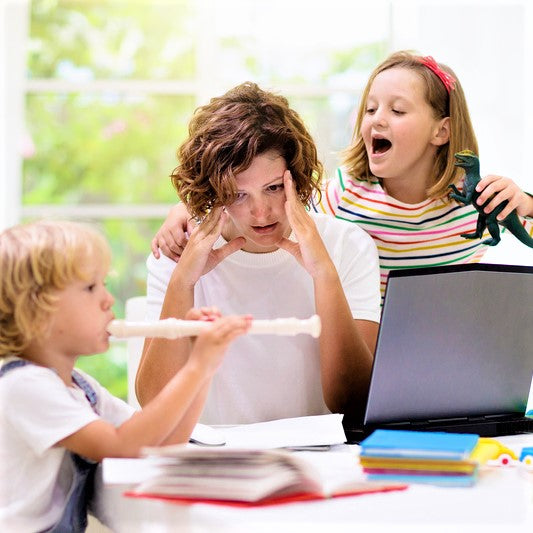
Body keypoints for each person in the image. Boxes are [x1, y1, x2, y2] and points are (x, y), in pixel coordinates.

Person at [152, 51, 533, 298]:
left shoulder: (476, 203)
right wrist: (184, 212)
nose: (377, 119)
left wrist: (525, 203)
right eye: (370, 109)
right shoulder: (344, 195)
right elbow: (255, 195)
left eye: (397, 111)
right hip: (370, 362)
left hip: (449, 356)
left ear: (442, 131)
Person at [136, 82, 381, 426]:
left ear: (296, 178)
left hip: (321, 463)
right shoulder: (180, 251)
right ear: (212, 191)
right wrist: (183, 283)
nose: (261, 212)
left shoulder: (347, 245)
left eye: (274, 188)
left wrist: (324, 274)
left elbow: (354, 403)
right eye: (238, 195)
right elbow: (154, 405)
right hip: (216, 460)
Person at [0, 219, 250, 533]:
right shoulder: (25, 387)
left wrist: (204, 367)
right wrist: (196, 367)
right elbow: (121, 446)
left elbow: (164, 441)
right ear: (36, 312)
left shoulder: (80, 387)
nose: (107, 300)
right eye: (91, 288)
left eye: (104, 284)